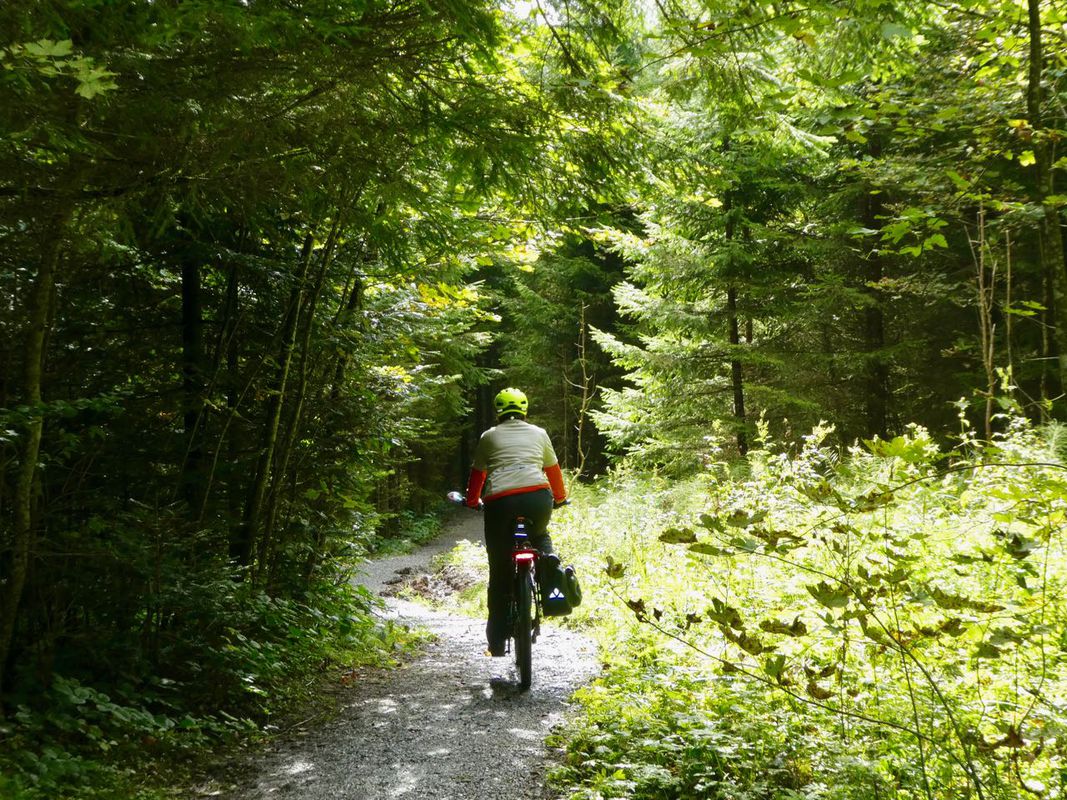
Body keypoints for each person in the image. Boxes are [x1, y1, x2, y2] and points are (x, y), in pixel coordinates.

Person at [464, 387, 567, 656]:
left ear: (499, 410)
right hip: (537, 498)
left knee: (499, 570)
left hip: (500, 502)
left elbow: (478, 476)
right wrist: (560, 498)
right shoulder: (539, 434)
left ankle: (496, 643)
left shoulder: (489, 437)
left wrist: (473, 501)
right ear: (524, 409)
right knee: (540, 535)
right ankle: (548, 563)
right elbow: (553, 472)